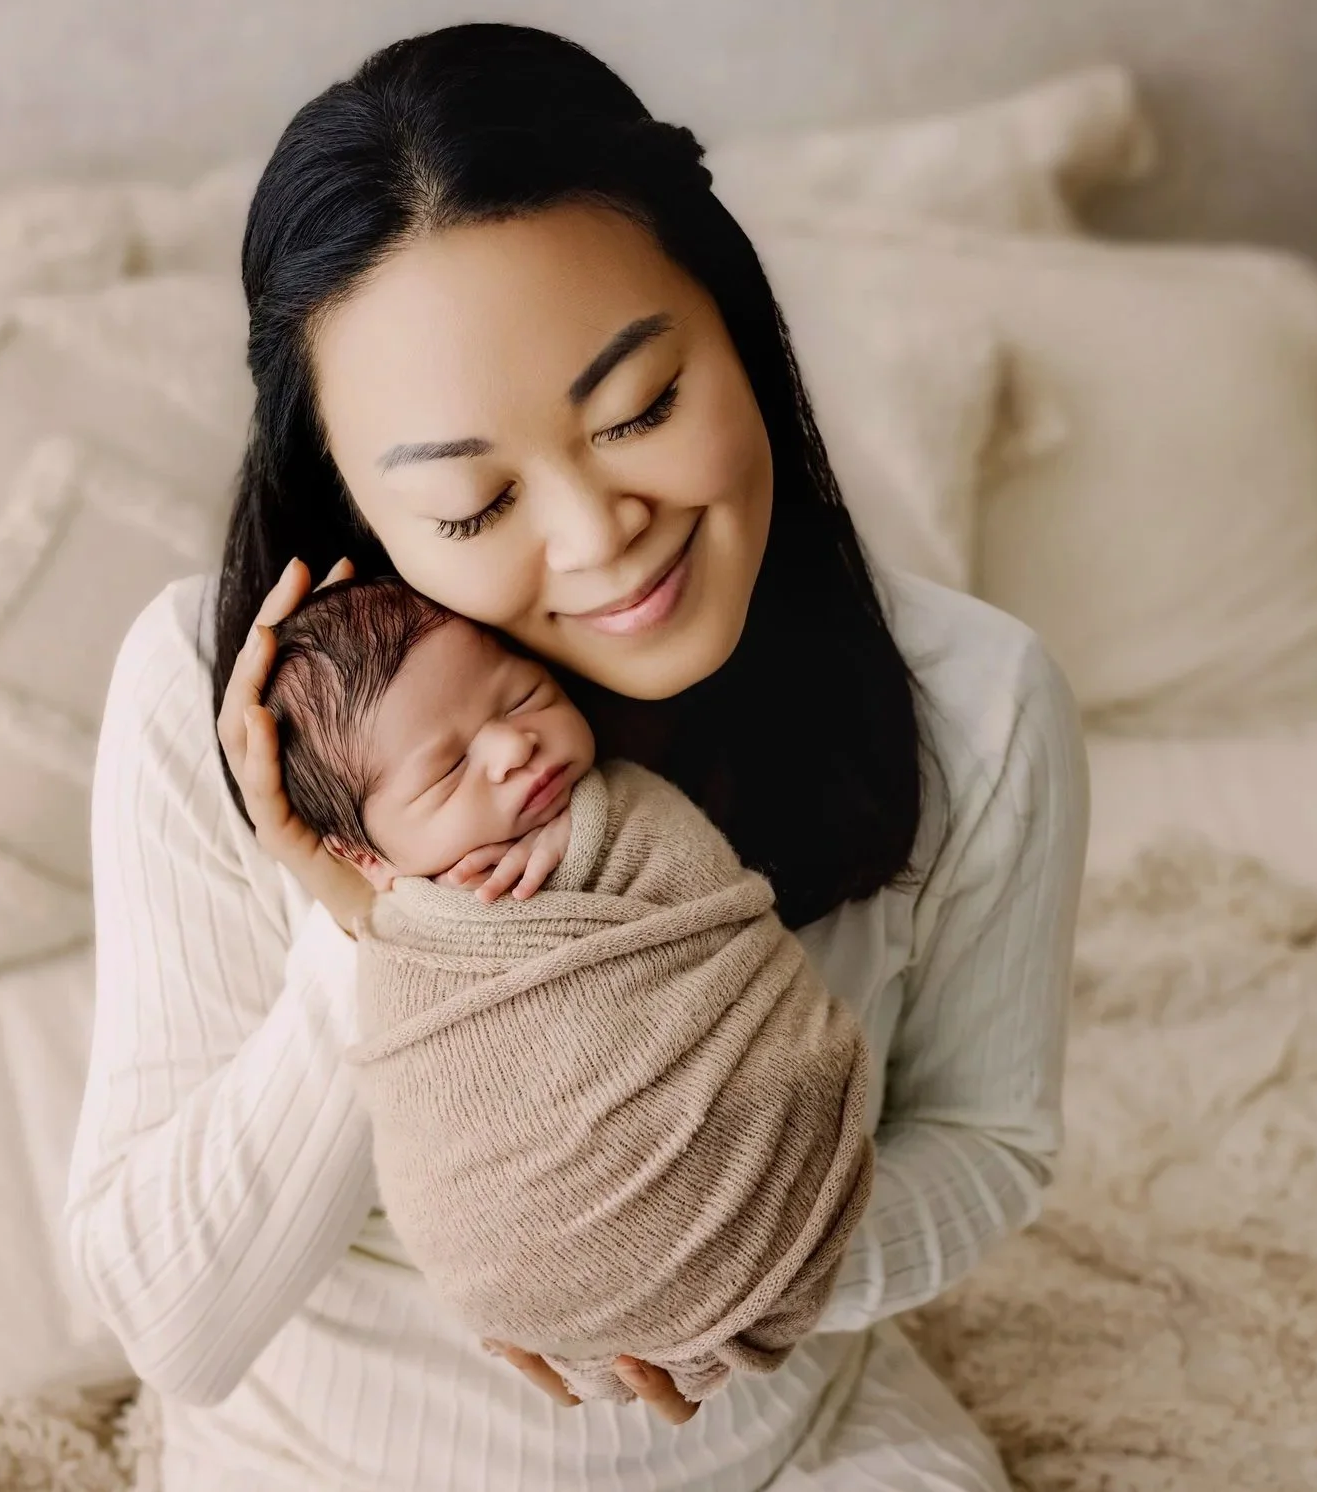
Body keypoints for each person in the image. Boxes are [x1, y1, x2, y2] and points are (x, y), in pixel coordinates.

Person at [63, 21, 1089, 1491]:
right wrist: (379, 932)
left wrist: (706, 1269)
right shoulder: (213, 700)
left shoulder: (979, 705)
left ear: (737, 327)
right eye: (475, 508)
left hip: (784, 1438)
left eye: (641, 410)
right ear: (355, 506)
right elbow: (177, 1320)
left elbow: (988, 1146)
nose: (601, 536)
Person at [258, 575, 877, 1409]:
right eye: (446, 772)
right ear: (366, 855)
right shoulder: (399, 946)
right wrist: (361, 912)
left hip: (791, 1263)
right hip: (485, 1337)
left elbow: (697, 896)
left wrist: (590, 831)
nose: (512, 749)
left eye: (523, 697)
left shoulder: (629, 810)